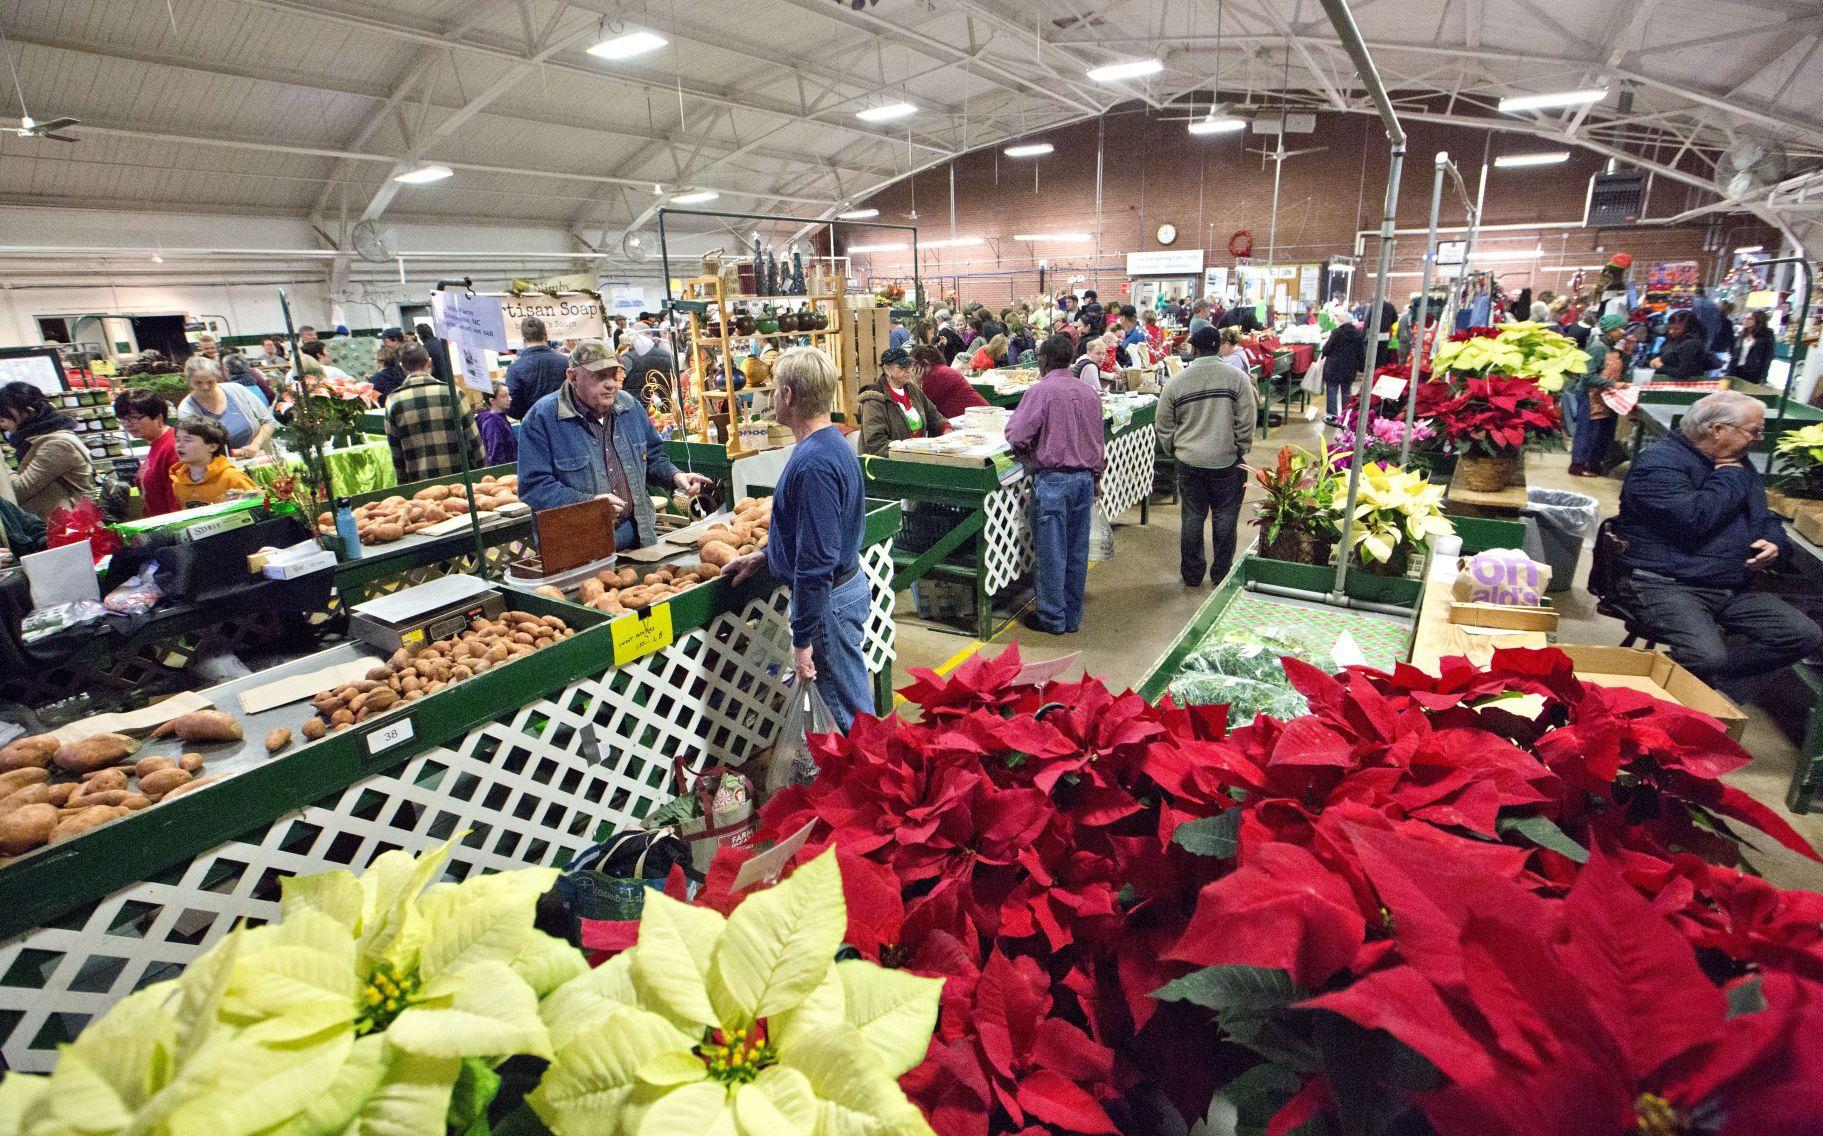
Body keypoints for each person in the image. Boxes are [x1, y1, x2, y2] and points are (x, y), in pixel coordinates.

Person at [1615, 391, 1821, 700]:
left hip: (1726, 583)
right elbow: (1693, 520)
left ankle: (1703, 689)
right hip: (1664, 583)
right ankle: (1648, 692)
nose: (1759, 438)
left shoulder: (1736, 464)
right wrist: (1729, 475)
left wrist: (1775, 543)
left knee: (1800, 635)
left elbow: (1764, 517)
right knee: (1705, 656)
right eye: (1754, 430)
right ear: (1718, 430)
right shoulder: (1660, 465)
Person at [723, 348, 870, 730]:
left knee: (853, 717)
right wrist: (767, 556)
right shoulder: (830, 446)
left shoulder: (814, 464)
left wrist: (802, 638)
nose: (772, 398)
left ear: (788, 396)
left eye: (774, 391)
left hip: (828, 604)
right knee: (853, 704)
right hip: (841, 593)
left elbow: (817, 561)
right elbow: (813, 532)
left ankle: (880, 784)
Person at [517, 340, 710, 550]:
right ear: (573, 377)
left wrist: (675, 476)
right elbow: (534, 486)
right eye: (600, 376)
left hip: (637, 536)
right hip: (578, 546)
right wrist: (589, 504)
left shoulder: (629, 406)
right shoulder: (542, 418)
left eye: (613, 375)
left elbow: (653, 456)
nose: (611, 384)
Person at [1004, 334, 1105, 636]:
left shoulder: (1041, 392)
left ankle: (1052, 618)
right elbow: (1098, 442)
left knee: (1051, 553)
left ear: (1044, 361)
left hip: (1052, 482)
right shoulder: (1089, 393)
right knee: (1076, 551)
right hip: (1084, 480)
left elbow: (1017, 434)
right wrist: (1096, 477)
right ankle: (1072, 616)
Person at [1158, 325, 1255, 587]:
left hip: (1189, 461)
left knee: (1192, 516)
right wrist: (1240, 447)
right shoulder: (1237, 378)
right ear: (1219, 346)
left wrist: (1174, 449)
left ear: (1194, 349)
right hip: (1226, 460)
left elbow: (1163, 422)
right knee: (1225, 517)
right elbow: (1247, 419)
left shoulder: (1177, 381)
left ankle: (1192, 574)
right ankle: (1221, 574)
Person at [384, 343, 486, 484]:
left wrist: (403, 485)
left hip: (419, 487)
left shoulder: (393, 401)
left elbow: (396, 452)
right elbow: (474, 440)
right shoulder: (453, 393)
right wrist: (483, 474)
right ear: (429, 362)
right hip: (460, 482)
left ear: (403, 368)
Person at [0, 382, 93, 520]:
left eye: (4, 417)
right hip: (56, 526)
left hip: (71, 529)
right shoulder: (33, 441)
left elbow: (20, 490)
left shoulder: (58, 445)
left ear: (29, 410)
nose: (2, 423)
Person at [177, 354, 275, 458]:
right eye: (198, 383)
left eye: (210, 382)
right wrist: (239, 452)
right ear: (189, 382)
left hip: (260, 458)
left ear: (217, 377)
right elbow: (198, 446)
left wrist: (256, 444)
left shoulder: (237, 390)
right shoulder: (187, 409)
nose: (205, 387)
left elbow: (268, 421)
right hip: (221, 467)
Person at [858, 348, 949, 456]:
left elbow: (933, 415)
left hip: (915, 457)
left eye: (909, 365)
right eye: (902, 366)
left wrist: (946, 430)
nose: (908, 370)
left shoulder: (913, 390)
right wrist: (906, 452)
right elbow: (876, 443)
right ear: (887, 370)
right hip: (888, 464)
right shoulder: (874, 399)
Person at [1568, 315, 1629, 478]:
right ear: (1609, 330)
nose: (1622, 332)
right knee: (1586, 431)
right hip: (1589, 396)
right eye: (1619, 329)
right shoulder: (1597, 348)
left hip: (1603, 397)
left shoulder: (1614, 349)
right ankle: (1578, 464)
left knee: (1598, 433)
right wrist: (1613, 384)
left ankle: (1592, 463)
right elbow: (1587, 376)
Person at [115, 388, 180, 517]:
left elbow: (177, 498)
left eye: (134, 418)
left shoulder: (172, 447)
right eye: (123, 418)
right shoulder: (155, 443)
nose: (127, 424)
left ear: (159, 417)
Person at [168, 416, 257, 508]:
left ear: (212, 447)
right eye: (177, 440)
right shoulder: (178, 482)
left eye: (188, 440)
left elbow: (258, 507)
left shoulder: (231, 477)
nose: (179, 445)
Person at [505, 316, 572, 420]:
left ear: (524, 340)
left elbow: (511, 407)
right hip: (565, 423)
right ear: (546, 337)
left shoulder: (515, 369)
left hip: (533, 427)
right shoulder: (566, 362)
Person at [907, 344, 988, 418]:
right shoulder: (940, 370)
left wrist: (916, 384)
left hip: (976, 418)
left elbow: (921, 408)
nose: (910, 371)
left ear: (924, 363)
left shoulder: (934, 376)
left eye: (912, 366)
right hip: (978, 415)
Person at [1319, 319, 1366, 425]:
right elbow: (1361, 353)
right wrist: (1362, 368)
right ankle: (1345, 416)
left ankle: (1332, 416)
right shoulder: (1358, 335)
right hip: (1349, 369)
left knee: (1332, 390)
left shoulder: (1336, 332)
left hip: (1333, 367)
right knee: (1346, 392)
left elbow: (1326, 349)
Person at [1651, 311, 1712, 379]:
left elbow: (1683, 373)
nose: (1671, 332)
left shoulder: (1691, 344)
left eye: (1676, 329)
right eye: (1669, 328)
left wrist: (1660, 366)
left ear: (1689, 328)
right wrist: (1661, 359)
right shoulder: (1675, 339)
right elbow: (1673, 356)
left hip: (1688, 385)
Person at [1731, 310, 1775, 385]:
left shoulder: (1766, 336)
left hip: (1752, 373)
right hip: (1736, 370)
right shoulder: (1741, 335)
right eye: (1745, 318)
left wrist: (1763, 376)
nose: (1746, 321)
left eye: (1750, 319)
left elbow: (1767, 358)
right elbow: (1734, 354)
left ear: (1758, 320)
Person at [477, 382, 516, 466]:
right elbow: (495, 456)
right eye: (505, 396)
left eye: (509, 395)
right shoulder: (492, 423)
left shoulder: (500, 418)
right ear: (492, 400)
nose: (510, 399)